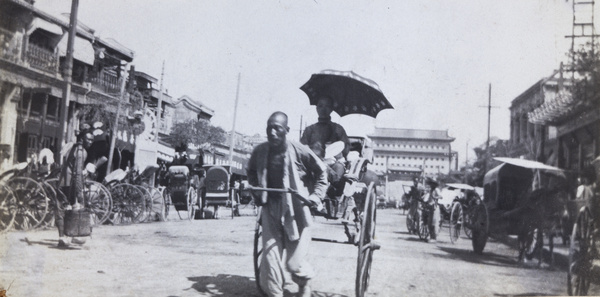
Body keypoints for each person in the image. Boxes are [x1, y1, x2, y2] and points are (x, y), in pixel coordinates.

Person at [247, 111, 328, 297]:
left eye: (278, 128)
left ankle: (304, 282)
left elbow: (322, 173)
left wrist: (316, 196)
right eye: (269, 128)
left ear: (287, 130)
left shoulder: (299, 150)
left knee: (294, 262)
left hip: (296, 208)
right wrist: (255, 189)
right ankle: (275, 293)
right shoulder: (259, 151)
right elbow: (251, 171)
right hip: (270, 207)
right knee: (271, 257)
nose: (273, 132)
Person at [56, 123, 94, 248]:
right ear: (82, 139)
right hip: (70, 183)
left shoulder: (73, 147)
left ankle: (64, 236)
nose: (91, 142)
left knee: (62, 209)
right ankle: (68, 236)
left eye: (92, 140)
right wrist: (79, 192)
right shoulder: (80, 152)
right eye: (89, 139)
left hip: (64, 181)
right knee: (69, 209)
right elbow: (77, 173)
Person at [300, 96, 350, 160]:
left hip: (333, 162)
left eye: (327, 106)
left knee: (339, 167)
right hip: (313, 162)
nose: (323, 109)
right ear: (317, 108)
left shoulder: (338, 129)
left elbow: (346, 148)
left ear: (332, 109)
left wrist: (335, 149)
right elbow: (301, 148)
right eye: (320, 106)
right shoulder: (309, 129)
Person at [422, 177, 441, 242]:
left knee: (434, 222)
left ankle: (434, 238)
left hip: (435, 207)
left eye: (432, 184)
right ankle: (431, 236)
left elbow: (440, 196)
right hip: (430, 207)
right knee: (429, 223)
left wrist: (435, 197)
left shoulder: (436, 190)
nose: (431, 185)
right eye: (431, 184)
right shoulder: (431, 190)